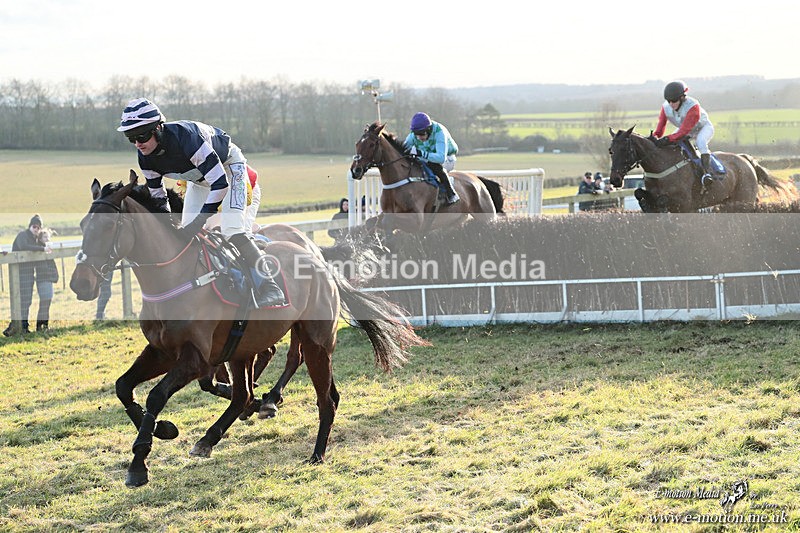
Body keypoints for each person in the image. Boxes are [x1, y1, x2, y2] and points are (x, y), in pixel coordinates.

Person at [117, 98, 284, 307]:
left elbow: (220, 184)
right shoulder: (145, 157)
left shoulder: (187, 138)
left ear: (158, 128)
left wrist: (199, 221)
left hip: (229, 170)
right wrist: (168, 225)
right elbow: (159, 198)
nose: (137, 143)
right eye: (131, 138)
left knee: (232, 230)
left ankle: (270, 286)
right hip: (198, 179)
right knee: (184, 234)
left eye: (141, 135)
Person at [653, 80, 717, 187]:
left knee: (700, 142)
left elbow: (683, 132)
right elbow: (661, 127)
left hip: (703, 128)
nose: (671, 104)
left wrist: (667, 139)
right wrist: (654, 137)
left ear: (682, 97)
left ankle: (707, 173)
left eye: (674, 101)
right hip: (685, 129)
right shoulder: (666, 107)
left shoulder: (693, 106)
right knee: (672, 145)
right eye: (668, 101)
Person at [3, 215, 53, 336]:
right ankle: (18, 326)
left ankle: (22, 327)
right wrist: (42, 249)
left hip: (29, 274)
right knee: (21, 301)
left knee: (27, 301)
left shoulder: (35, 239)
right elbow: (24, 247)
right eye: (34, 226)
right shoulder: (23, 236)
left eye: (38, 227)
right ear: (30, 226)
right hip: (18, 274)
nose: (36, 229)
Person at [403, 112, 460, 205]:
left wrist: (421, 153)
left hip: (447, 159)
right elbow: (403, 149)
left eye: (421, 134)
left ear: (429, 130)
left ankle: (451, 193)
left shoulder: (439, 132)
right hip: (428, 159)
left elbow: (441, 158)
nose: (419, 137)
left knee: (433, 165)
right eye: (416, 134)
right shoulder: (413, 135)